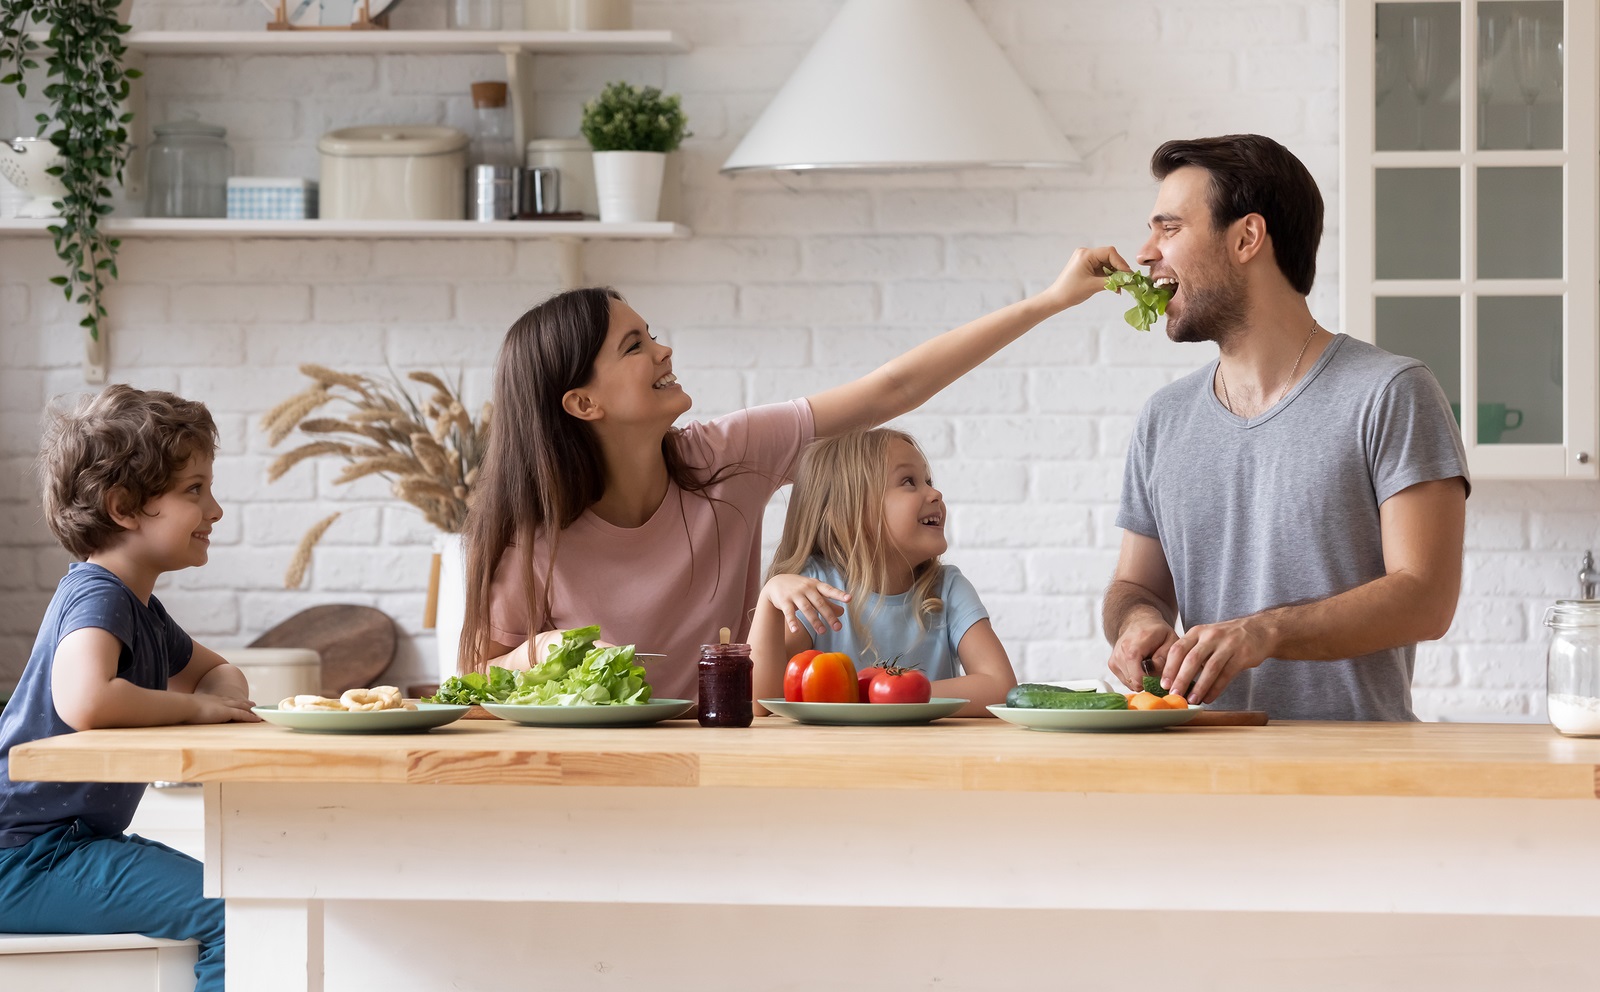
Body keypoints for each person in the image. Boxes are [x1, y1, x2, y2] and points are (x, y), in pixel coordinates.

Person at [459, 261, 1115, 701]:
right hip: (602, 774)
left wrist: (1052, 300)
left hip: (728, 756)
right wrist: (537, 652)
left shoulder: (727, 458)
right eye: (634, 347)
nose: (663, 351)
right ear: (583, 404)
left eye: (651, 335)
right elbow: (477, 686)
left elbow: (894, 387)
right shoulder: (532, 535)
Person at [1100, 134, 1469, 720]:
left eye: (1169, 229)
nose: (1145, 252)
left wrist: (1264, 632)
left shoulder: (1391, 392)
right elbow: (1136, 587)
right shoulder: (1162, 419)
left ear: (1247, 237)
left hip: (1356, 781)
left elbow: (1427, 597)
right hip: (1203, 772)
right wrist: (1138, 622)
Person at [0, 385, 260, 992]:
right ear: (124, 507)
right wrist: (199, 709)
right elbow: (86, 699)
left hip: (60, 848)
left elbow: (221, 673)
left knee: (244, 895)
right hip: (24, 860)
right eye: (195, 490)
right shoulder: (97, 593)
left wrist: (217, 699)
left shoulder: (141, 608)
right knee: (238, 914)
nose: (215, 510)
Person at [750, 429, 1017, 716]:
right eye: (909, 482)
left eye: (928, 480)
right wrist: (769, 598)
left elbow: (999, 687)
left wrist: (880, 695)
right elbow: (760, 702)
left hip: (930, 756)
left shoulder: (948, 588)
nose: (935, 493)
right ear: (850, 511)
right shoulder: (816, 588)